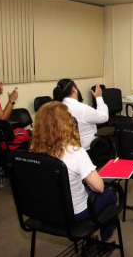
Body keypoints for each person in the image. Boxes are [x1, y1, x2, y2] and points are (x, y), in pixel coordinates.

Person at [30, 101, 117, 242]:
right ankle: (103, 239)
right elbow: (99, 187)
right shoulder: (75, 152)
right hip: (75, 213)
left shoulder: (33, 151)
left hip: (43, 210)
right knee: (110, 195)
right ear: (67, 124)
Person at [53, 79, 108, 151]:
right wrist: (99, 97)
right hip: (88, 149)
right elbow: (104, 117)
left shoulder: (56, 108)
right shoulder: (83, 109)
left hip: (65, 150)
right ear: (74, 89)